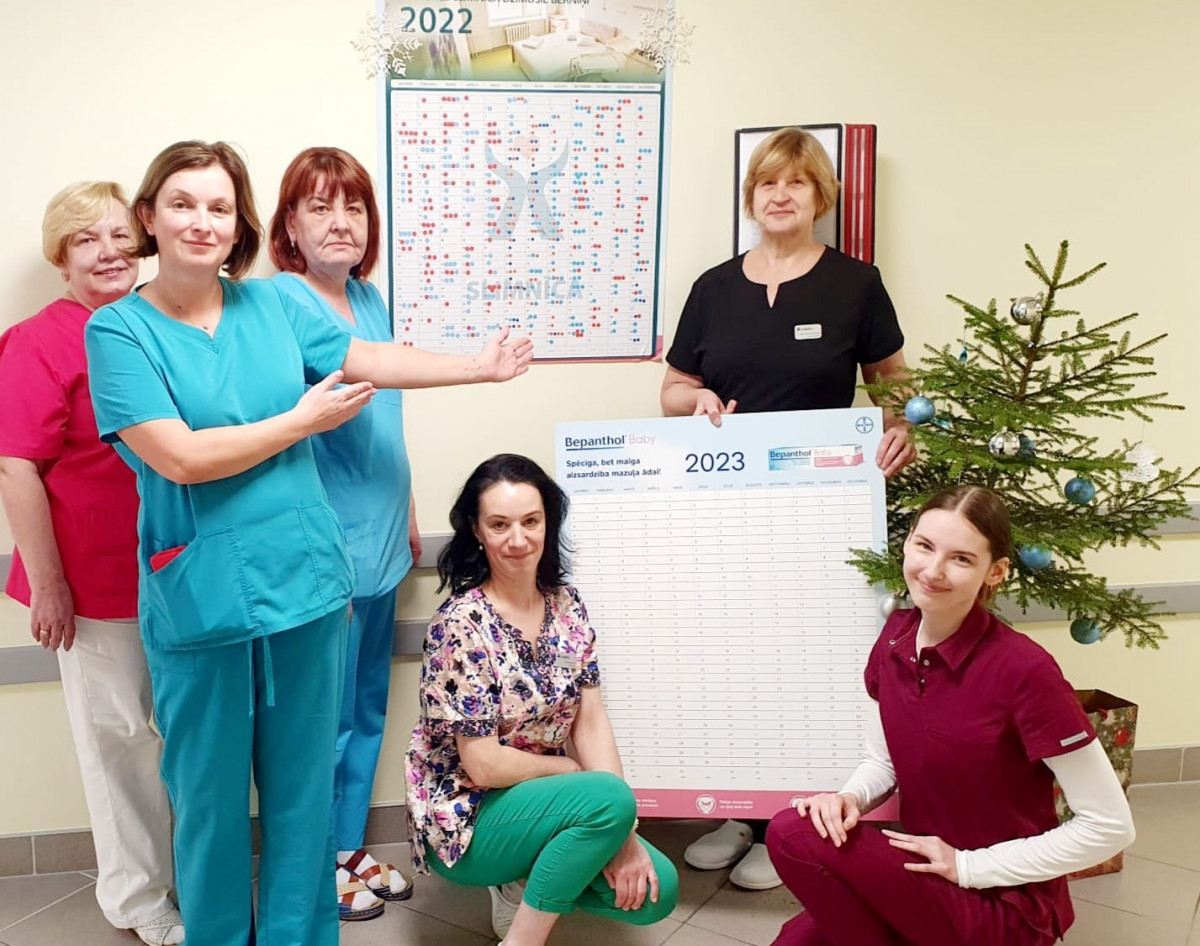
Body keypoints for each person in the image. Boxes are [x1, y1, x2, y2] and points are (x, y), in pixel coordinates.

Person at [83, 140, 533, 946]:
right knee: (210, 806)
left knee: (302, 802)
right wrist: (298, 422)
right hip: (202, 597)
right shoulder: (117, 330)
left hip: (306, 587)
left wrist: (477, 367)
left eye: (220, 207)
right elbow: (180, 457)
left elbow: (371, 358)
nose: (202, 221)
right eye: (182, 204)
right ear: (149, 217)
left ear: (240, 225)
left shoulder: (273, 307)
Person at [661, 126, 916, 889]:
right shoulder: (713, 288)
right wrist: (695, 399)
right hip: (725, 516)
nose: (780, 194)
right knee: (734, 658)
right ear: (752, 197)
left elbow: (895, 384)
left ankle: (793, 824)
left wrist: (900, 430)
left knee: (810, 663)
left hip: (820, 518)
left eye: (796, 182)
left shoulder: (855, 285)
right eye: (768, 182)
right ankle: (741, 815)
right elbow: (672, 390)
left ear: (820, 196)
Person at [765, 486, 1136, 946]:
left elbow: (1109, 827)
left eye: (961, 558)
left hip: (1004, 905)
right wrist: (849, 799)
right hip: (927, 875)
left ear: (995, 571)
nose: (933, 570)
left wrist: (967, 866)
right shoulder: (894, 640)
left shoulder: (1026, 671)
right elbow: (883, 762)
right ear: (908, 543)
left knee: (790, 833)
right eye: (924, 546)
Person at [0, 182, 183, 946]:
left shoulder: (154, 321)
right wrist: (48, 586)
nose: (107, 252)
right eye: (85, 240)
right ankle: (137, 900)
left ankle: (180, 880)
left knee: (180, 740)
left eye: (116, 235)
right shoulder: (37, 341)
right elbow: (16, 467)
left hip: (175, 573)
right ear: (61, 257)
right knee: (120, 744)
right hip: (92, 585)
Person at [405, 454, 679, 946]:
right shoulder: (460, 624)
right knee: (608, 798)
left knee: (659, 892)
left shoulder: (567, 605)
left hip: (546, 800)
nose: (518, 539)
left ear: (548, 523)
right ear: (477, 530)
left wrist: (623, 831)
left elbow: (590, 721)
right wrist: (573, 774)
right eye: (499, 524)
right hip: (468, 816)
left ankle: (524, 881)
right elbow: (484, 765)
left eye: (531, 521)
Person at [268, 146, 419, 920]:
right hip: (325, 553)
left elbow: (390, 413)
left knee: (365, 711)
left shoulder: (370, 298)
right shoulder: (281, 303)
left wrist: (410, 512)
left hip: (384, 544)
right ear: (290, 224)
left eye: (354, 207)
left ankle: (349, 844)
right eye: (320, 207)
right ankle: (314, 861)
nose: (340, 222)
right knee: (319, 721)